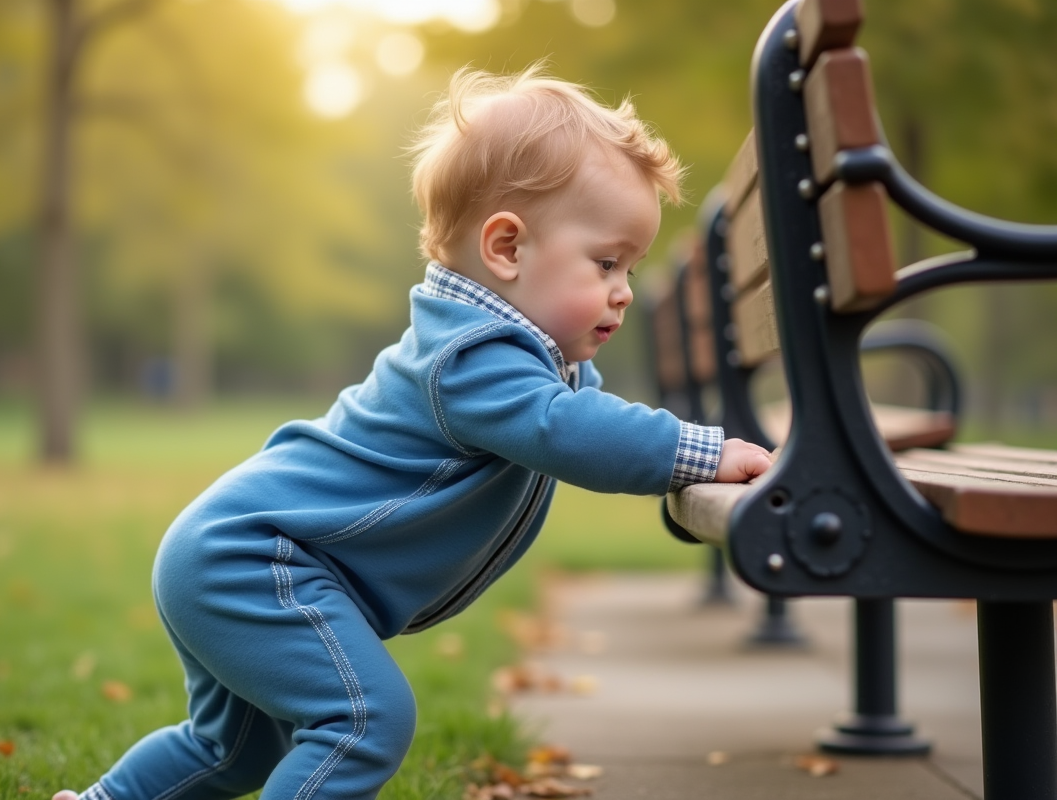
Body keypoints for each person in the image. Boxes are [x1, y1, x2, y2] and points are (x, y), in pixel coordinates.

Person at [53, 64, 771, 800]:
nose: (623, 289)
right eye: (607, 261)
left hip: (231, 553)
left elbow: (586, 418)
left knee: (233, 752)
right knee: (364, 722)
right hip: (253, 560)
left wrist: (687, 454)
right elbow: (571, 431)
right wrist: (700, 451)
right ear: (507, 250)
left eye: (632, 265)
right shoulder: (470, 357)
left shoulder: (519, 356)